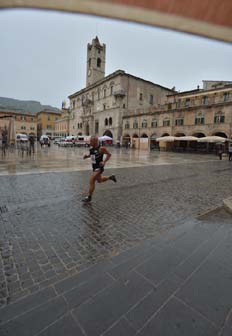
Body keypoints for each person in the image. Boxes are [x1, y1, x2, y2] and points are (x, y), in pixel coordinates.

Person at [82, 136, 117, 203]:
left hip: (99, 167)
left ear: (95, 141)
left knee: (91, 180)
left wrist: (104, 162)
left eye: (91, 141)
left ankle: (89, 197)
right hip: (94, 167)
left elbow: (109, 155)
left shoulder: (101, 148)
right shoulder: (91, 148)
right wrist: (87, 156)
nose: (90, 142)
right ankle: (111, 177)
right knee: (99, 180)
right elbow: (92, 155)